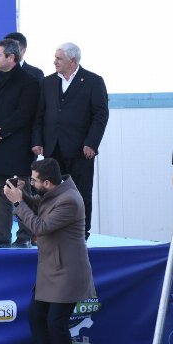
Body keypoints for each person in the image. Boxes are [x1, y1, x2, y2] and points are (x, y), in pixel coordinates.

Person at [4, 158, 95, 344]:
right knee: (36, 316)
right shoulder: (56, 193)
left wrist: (17, 203)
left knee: (56, 323)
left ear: (47, 183)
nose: (32, 183)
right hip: (52, 270)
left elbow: (41, 227)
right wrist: (23, 195)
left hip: (68, 272)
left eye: (34, 181)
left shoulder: (69, 200)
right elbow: (39, 206)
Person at [32, 43, 108, 240]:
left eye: (59, 58)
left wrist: (91, 143)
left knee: (81, 191)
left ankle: (81, 231)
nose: (54, 62)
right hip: (53, 148)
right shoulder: (48, 82)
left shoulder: (93, 81)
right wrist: (37, 140)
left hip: (81, 149)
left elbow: (100, 116)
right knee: (49, 191)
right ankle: (50, 229)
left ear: (72, 61)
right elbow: (39, 114)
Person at [0, 38, 40, 248]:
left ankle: (24, 236)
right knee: (0, 190)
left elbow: (24, 113)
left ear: (11, 57)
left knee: (21, 190)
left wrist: (0, 132)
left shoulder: (28, 81)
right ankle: (1, 235)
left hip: (18, 146)